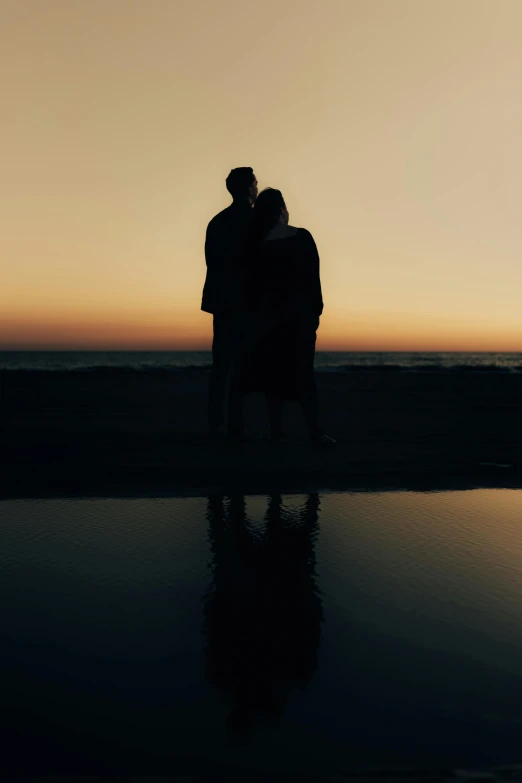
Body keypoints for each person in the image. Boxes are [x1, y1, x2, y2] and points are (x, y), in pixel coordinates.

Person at [240, 188, 335, 446]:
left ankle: (276, 433)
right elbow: (313, 280)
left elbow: (251, 286)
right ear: (282, 209)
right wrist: (316, 311)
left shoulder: (256, 245)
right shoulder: (301, 238)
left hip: (268, 319)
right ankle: (314, 433)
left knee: (273, 378)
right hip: (299, 318)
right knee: (304, 374)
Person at [202, 167, 258, 439]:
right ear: (248, 188)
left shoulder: (217, 222)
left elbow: (212, 264)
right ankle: (235, 423)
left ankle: (217, 423)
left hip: (223, 301)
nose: (257, 188)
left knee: (221, 364)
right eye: (255, 184)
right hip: (246, 301)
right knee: (241, 364)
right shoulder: (255, 220)